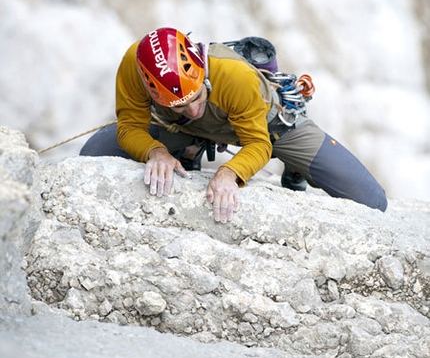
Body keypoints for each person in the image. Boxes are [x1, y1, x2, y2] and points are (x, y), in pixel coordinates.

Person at [80, 26, 387, 222]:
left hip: (270, 128)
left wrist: (230, 173)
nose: (192, 109)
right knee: (93, 154)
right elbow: (130, 125)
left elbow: (259, 144)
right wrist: (155, 152)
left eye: (197, 97)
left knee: (372, 202)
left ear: (201, 69)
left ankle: (295, 165)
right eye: (179, 105)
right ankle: (189, 148)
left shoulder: (234, 77)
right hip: (182, 131)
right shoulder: (136, 65)